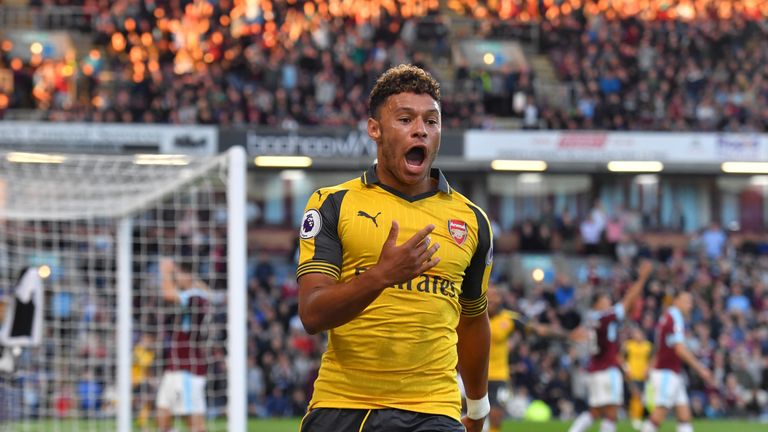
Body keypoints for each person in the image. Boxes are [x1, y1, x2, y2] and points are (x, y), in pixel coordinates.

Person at [297, 64, 493, 432]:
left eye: (431, 121)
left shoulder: (472, 220)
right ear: (375, 129)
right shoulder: (333, 204)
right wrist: (381, 276)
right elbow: (312, 314)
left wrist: (479, 404)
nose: (421, 129)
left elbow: (472, 319)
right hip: (344, 406)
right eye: (405, 119)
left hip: (434, 411)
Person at [486, 284, 585, 432]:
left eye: (496, 295)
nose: (493, 298)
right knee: (472, 415)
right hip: (470, 375)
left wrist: (567, 334)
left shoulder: (509, 319)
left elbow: (539, 330)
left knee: (496, 416)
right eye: (489, 294)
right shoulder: (471, 316)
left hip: (498, 375)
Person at [569, 259, 653, 432]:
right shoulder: (605, 317)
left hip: (594, 369)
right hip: (607, 370)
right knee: (612, 413)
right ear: (597, 303)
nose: (609, 302)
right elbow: (628, 300)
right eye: (605, 299)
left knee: (594, 412)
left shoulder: (591, 318)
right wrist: (642, 279)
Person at [641, 291, 715, 432]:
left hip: (671, 372)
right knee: (658, 414)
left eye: (691, 302)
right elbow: (679, 349)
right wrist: (701, 369)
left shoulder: (667, 317)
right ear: (676, 301)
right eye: (686, 301)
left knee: (684, 416)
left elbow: (661, 346)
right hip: (666, 373)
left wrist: (650, 366)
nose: (690, 305)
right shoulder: (675, 317)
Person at [156, 257, 211, 432]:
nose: (176, 278)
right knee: (162, 416)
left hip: (189, 369)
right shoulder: (195, 295)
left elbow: (168, 294)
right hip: (174, 366)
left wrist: (165, 271)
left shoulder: (195, 297)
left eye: (178, 274)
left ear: (188, 276)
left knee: (194, 424)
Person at [624, 325, 653, 430]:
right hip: (632, 375)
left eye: (639, 334)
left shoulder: (648, 346)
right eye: (635, 334)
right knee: (636, 396)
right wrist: (626, 369)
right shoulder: (628, 345)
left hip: (645, 376)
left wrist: (648, 369)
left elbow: (652, 359)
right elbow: (622, 358)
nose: (637, 336)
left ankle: (642, 418)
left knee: (645, 398)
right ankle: (635, 418)